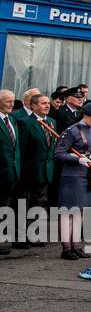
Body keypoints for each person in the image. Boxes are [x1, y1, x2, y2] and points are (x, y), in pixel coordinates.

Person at [53, 101, 91, 260]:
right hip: (73, 176)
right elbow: (59, 154)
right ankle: (66, 247)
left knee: (81, 212)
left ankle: (76, 245)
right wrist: (77, 159)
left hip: (89, 175)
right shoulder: (72, 131)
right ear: (87, 116)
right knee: (69, 212)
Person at [14, 91, 55, 248]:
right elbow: (21, 150)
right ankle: (20, 238)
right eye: (43, 103)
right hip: (29, 171)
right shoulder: (26, 122)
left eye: (48, 103)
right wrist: (21, 171)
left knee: (40, 204)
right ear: (33, 106)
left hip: (45, 171)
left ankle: (34, 235)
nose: (47, 106)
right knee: (23, 204)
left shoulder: (51, 122)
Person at [0, 90, 21, 256]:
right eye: (8, 101)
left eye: (13, 101)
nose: (12, 104)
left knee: (5, 207)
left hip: (11, 173)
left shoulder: (12, 120)